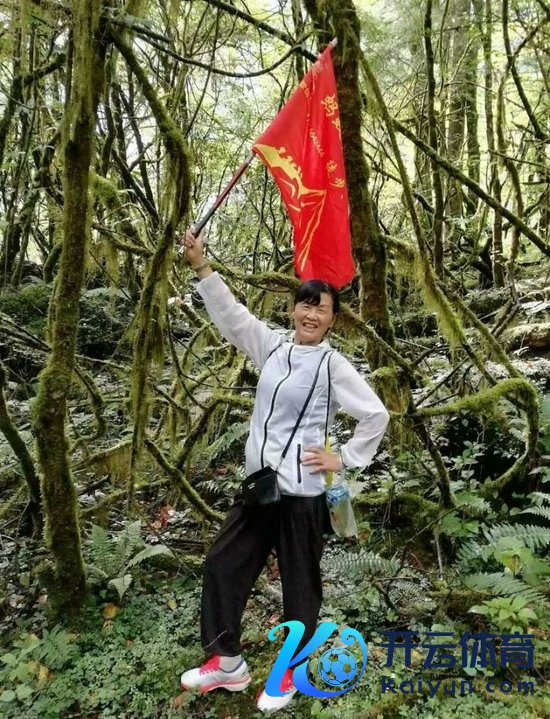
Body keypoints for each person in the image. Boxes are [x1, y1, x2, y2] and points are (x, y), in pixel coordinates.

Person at [179, 228, 389, 712]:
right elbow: (232, 315)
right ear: (294, 309)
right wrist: (201, 266)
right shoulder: (271, 346)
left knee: (300, 587)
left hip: (303, 496)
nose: (312, 314)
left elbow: (375, 414)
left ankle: (289, 673)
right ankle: (228, 663)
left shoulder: (333, 365)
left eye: (322, 309)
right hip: (260, 489)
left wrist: (344, 458)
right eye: (306, 305)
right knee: (223, 564)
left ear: (332, 319)